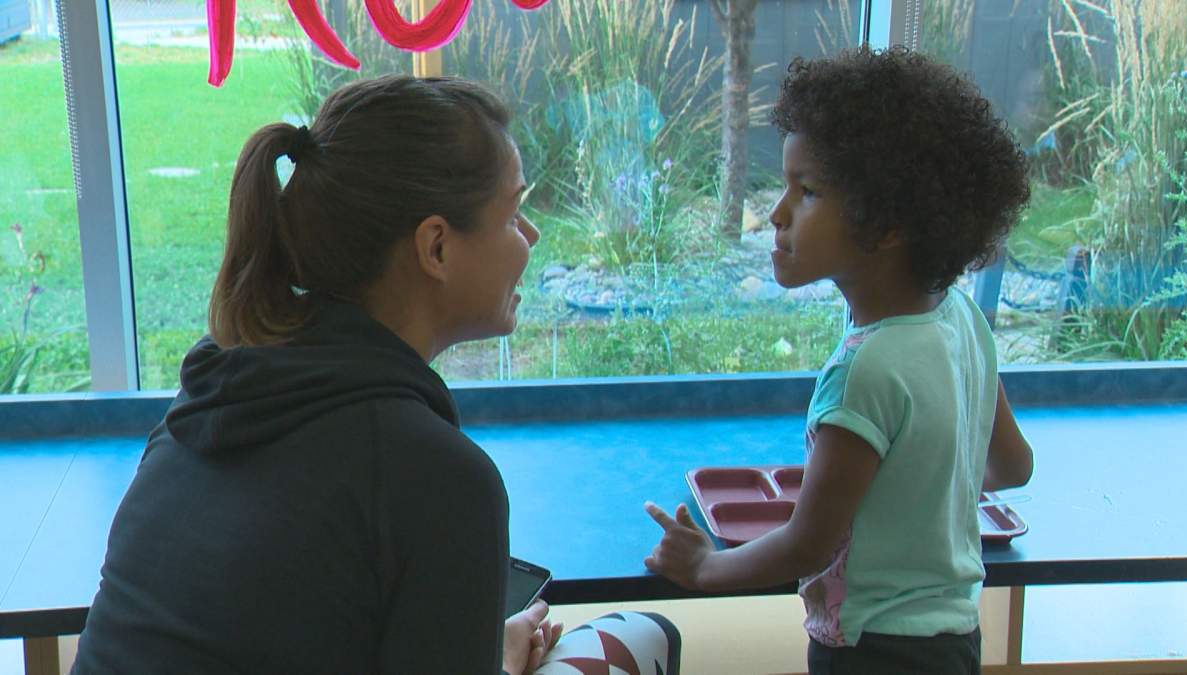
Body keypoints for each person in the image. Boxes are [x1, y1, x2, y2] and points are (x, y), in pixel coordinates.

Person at [71, 75, 680, 675]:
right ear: (436, 248)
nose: (532, 237)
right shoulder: (440, 478)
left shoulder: (205, 400)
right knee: (644, 635)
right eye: (514, 213)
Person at [643, 46, 1035, 675]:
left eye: (807, 191)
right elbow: (1012, 466)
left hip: (870, 653)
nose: (776, 213)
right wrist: (924, 490)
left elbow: (809, 544)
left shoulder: (865, 370)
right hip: (952, 641)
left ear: (885, 226)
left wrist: (705, 566)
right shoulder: (961, 319)